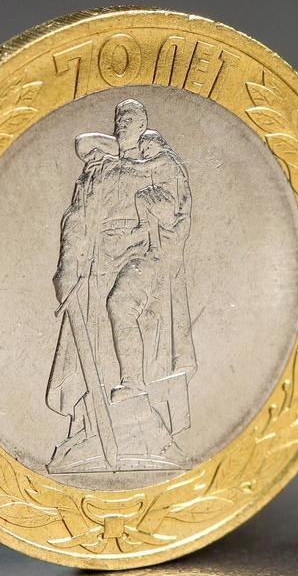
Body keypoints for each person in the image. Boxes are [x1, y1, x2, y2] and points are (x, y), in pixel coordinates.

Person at [46, 99, 196, 468]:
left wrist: (162, 214)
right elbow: (77, 217)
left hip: (144, 251)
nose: (123, 123)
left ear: (143, 124)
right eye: (120, 118)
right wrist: (67, 266)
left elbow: (177, 210)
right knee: (95, 336)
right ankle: (92, 427)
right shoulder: (97, 169)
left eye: (131, 118)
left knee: (123, 306)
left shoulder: (158, 164)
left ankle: (134, 387)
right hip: (99, 258)